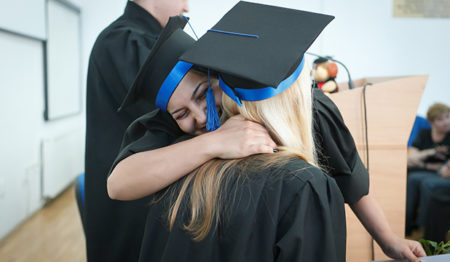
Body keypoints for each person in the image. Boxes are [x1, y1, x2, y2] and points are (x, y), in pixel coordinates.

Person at [108, 2, 426, 261]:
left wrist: (387, 240)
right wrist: (215, 142)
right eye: (181, 114)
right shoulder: (169, 123)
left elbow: (351, 177)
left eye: (202, 94)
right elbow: (119, 184)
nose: (200, 116)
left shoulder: (307, 107)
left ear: (217, 73)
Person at [84, 1, 190, 261]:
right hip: (129, 208)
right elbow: (172, 109)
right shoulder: (121, 41)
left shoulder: (137, 41)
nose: (187, 7)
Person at [406, 103, 450, 235]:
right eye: (440, 119)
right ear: (431, 122)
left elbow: (446, 171)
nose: (446, 122)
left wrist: (422, 162)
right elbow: (409, 159)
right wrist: (431, 152)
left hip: (441, 175)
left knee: (427, 183)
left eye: (448, 117)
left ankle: (425, 226)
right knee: (412, 179)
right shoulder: (424, 134)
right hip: (429, 171)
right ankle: (407, 224)